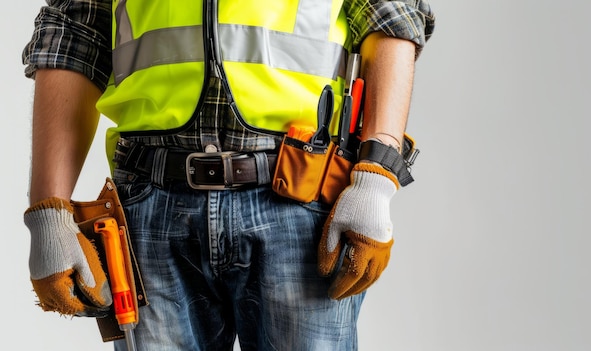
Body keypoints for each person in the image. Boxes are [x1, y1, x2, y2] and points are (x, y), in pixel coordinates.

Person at [22, 1, 435, 350]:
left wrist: (376, 178)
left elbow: (391, 14)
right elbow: (75, 31)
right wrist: (49, 211)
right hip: (149, 208)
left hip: (301, 197)